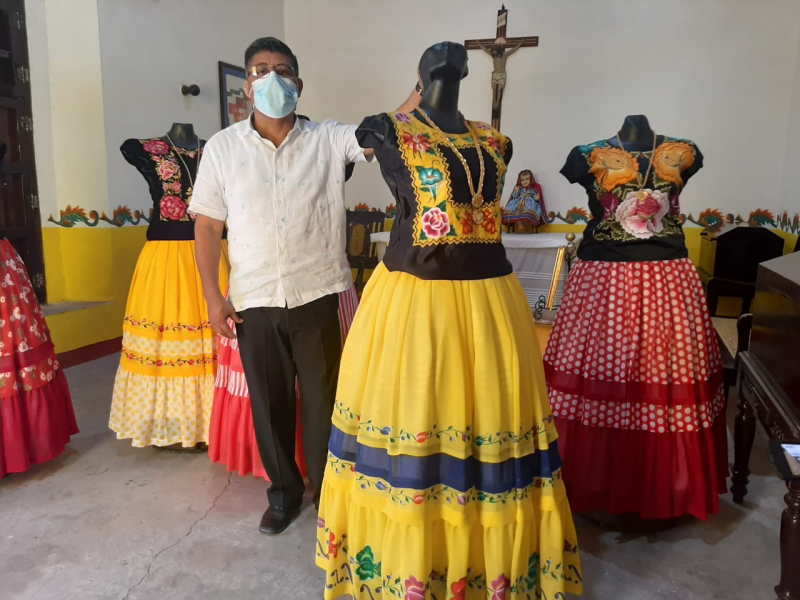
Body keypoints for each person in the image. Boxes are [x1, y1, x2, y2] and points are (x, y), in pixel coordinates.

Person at [315, 42, 582, 600]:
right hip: (412, 304)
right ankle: (411, 568)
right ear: (420, 72)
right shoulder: (384, 129)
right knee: (415, 417)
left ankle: (485, 571)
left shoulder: (496, 141)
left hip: (491, 304)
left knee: (489, 423)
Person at [190, 37, 417, 534]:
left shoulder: (327, 139)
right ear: (248, 84)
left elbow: (381, 132)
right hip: (253, 300)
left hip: (317, 293)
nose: (271, 77)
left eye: (282, 69)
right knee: (270, 404)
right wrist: (213, 296)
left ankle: (326, 492)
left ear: (298, 82)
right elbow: (207, 226)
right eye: (260, 69)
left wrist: (422, 87)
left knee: (323, 400)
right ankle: (283, 495)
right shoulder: (223, 149)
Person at [544, 115, 727, 527]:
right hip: (601, 281)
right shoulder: (585, 154)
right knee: (598, 376)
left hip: (668, 279)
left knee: (661, 378)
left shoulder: (682, 152)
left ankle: (661, 489)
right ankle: (597, 485)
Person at [109, 124, 230, 451]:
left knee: (218, 336)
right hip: (166, 260)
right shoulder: (141, 148)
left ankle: (220, 423)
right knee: (169, 340)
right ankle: (173, 425)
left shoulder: (219, 148)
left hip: (217, 252)